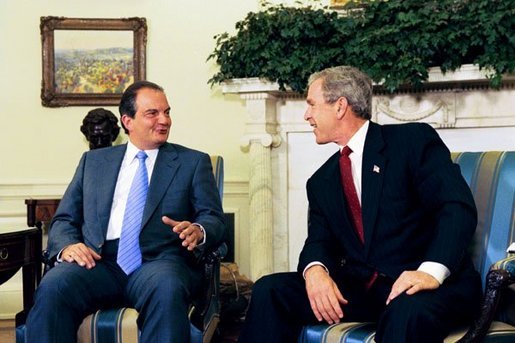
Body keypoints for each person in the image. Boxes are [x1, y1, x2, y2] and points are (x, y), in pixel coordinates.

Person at [238, 66, 482, 343]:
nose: (307, 115)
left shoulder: (411, 141)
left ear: (340, 106)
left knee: (405, 311)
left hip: (428, 286)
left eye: (312, 105)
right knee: (271, 289)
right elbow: (319, 241)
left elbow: (455, 207)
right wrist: (315, 271)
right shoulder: (322, 180)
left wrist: (430, 272)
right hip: (366, 291)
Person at [26, 80, 225, 342]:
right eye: (152, 113)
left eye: (167, 112)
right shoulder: (94, 162)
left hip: (159, 261)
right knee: (54, 286)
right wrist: (68, 246)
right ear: (127, 121)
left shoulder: (191, 162)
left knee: (166, 288)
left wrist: (198, 230)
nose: (164, 120)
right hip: (99, 262)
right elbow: (64, 219)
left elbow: (213, 218)